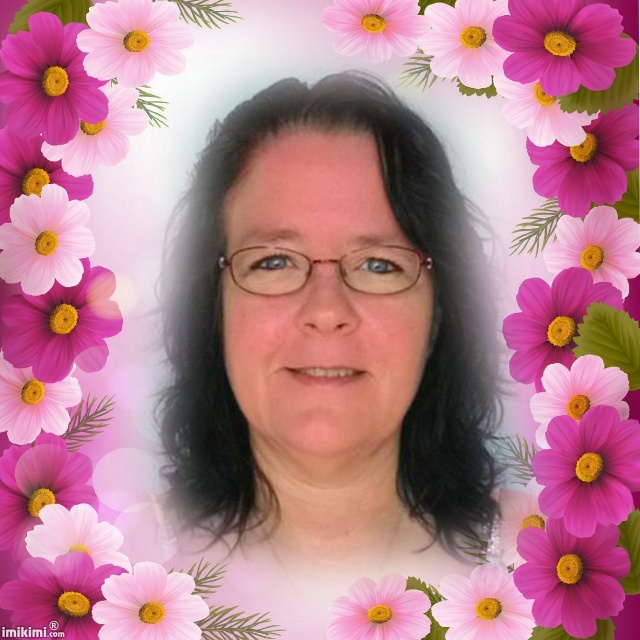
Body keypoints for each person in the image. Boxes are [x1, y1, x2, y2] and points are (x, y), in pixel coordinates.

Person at [157, 72, 502, 609]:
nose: (325, 311)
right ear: (212, 305)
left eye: (378, 265)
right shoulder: (91, 571)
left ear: (439, 313)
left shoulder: (564, 562)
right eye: (273, 261)